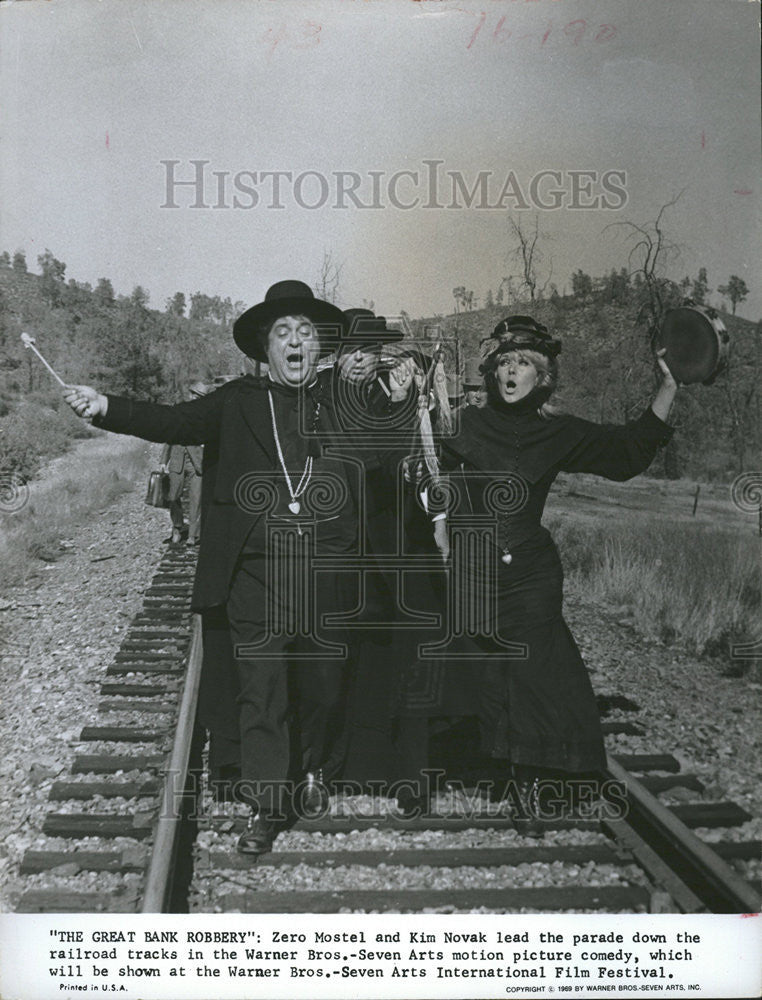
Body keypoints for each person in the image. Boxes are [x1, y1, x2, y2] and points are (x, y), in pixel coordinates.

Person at [63, 280, 379, 856]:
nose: (294, 342)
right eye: (282, 332)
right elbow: (174, 422)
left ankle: (314, 769)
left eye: (305, 333)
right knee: (263, 689)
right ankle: (267, 801)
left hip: (328, 572)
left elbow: (395, 452)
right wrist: (105, 406)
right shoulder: (236, 401)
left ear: (320, 347)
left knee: (324, 686)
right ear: (265, 347)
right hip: (254, 574)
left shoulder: (345, 407)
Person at [432, 314, 678, 810]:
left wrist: (669, 385)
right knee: (478, 672)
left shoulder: (560, 432)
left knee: (533, 673)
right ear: (490, 370)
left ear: (542, 376)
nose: (510, 372)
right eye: (503, 362)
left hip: (529, 571)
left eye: (523, 363)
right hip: (470, 568)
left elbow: (627, 452)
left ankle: (531, 784)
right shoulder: (459, 424)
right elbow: (412, 464)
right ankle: (480, 762)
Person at [159, 381, 207, 544]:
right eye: (194, 394)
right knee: (173, 496)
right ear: (189, 394)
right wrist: (163, 460)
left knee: (196, 499)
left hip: (197, 463)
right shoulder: (179, 410)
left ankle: (193, 535)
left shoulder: (207, 414)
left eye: (200, 396)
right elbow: (169, 436)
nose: (196, 398)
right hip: (177, 458)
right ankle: (177, 527)